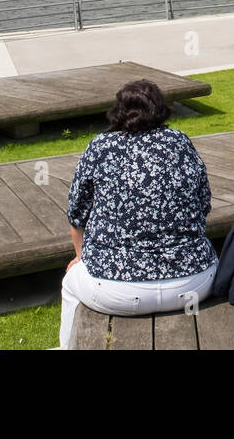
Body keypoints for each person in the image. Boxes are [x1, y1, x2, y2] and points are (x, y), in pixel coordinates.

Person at [59, 80, 218, 348]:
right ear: (160, 110)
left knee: (71, 282)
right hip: (192, 282)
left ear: (118, 110)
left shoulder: (100, 147)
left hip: (114, 287)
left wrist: (80, 257)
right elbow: (203, 204)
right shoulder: (179, 142)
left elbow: (77, 213)